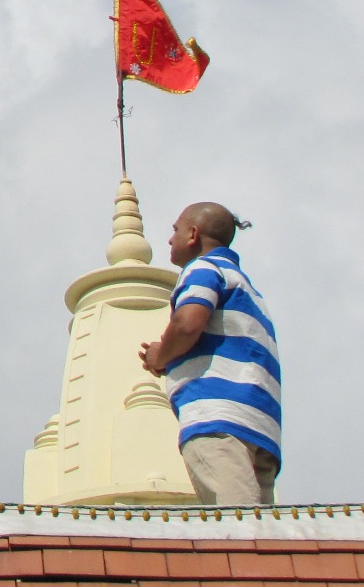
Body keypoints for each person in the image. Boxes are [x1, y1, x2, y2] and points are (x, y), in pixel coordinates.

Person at [139, 201, 281, 506]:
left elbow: (188, 324)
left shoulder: (203, 268)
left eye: (175, 230)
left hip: (218, 418)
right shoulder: (248, 290)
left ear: (192, 234)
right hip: (260, 427)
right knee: (262, 527)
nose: (169, 239)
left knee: (238, 522)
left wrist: (161, 355)